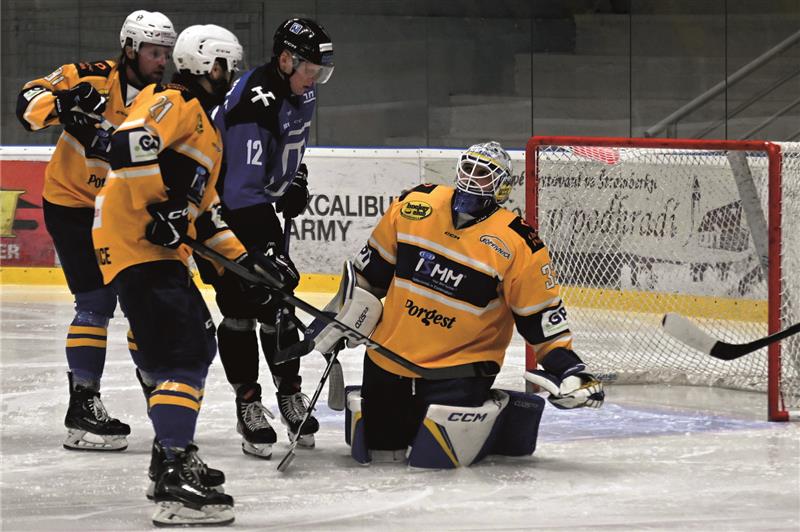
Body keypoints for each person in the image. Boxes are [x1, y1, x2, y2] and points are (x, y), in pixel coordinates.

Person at [92, 24, 297, 526]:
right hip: (134, 244)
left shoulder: (206, 127)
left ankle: (169, 458)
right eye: (228, 64)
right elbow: (127, 144)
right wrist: (156, 208)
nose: (232, 75)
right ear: (208, 65)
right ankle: (174, 477)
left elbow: (205, 217)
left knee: (190, 348)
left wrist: (249, 264)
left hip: (151, 248)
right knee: (185, 353)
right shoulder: (173, 100)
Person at [313, 141, 605, 465]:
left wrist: (571, 370)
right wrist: (337, 317)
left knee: (434, 466)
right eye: (468, 168)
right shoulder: (416, 205)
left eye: (483, 173)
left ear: (502, 186)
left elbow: (541, 322)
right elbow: (370, 275)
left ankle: (495, 417)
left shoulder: (519, 243)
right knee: (381, 458)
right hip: (388, 360)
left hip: (459, 371)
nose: (471, 178)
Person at [15, 10, 176, 451]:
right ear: (129, 48)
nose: (161, 60)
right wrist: (63, 105)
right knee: (96, 300)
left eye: (166, 52)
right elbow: (27, 107)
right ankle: (82, 405)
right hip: (71, 202)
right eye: (152, 51)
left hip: (124, 209)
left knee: (143, 302)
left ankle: (160, 393)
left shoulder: (168, 99)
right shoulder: (90, 77)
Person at [198, 17, 334, 459]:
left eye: (320, 70)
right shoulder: (253, 106)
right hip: (225, 213)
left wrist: (294, 178)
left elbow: (289, 144)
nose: (315, 79)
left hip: (254, 203)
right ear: (285, 59)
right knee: (240, 308)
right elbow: (238, 191)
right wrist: (265, 249)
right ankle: (248, 403)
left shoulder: (301, 89)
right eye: (310, 69)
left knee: (277, 304)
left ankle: (289, 393)